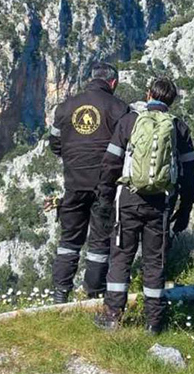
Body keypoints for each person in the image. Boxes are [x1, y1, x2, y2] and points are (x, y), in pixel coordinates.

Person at [94, 77, 194, 334]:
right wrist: (185, 209)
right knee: (155, 262)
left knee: (121, 258)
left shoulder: (129, 122)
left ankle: (112, 317)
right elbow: (190, 173)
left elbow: (110, 165)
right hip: (160, 204)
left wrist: (105, 201)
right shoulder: (178, 128)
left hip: (128, 200)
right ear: (171, 101)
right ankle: (154, 323)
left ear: (148, 93)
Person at [48, 62, 131, 304]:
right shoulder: (119, 108)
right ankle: (94, 294)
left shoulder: (65, 107)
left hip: (73, 185)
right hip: (105, 187)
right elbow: (127, 148)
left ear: (91, 79)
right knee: (99, 242)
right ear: (113, 83)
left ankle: (60, 294)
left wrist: (74, 158)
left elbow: (55, 145)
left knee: (68, 242)